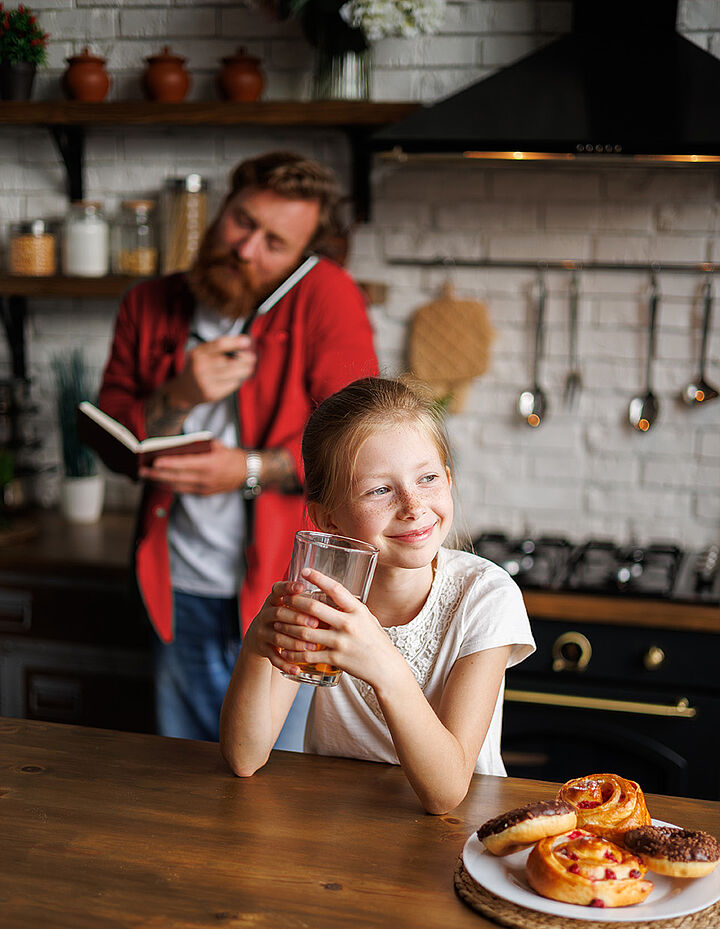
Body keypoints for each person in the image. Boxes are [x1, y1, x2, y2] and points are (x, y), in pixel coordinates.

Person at [97, 151, 378, 741]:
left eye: (274, 243)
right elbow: (113, 442)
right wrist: (176, 395)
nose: (246, 249)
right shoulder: (148, 304)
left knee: (279, 779)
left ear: (303, 256)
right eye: (242, 222)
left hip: (291, 592)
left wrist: (249, 469)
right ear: (222, 208)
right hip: (179, 585)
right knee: (186, 779)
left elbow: (359, 445)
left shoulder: (326, 296)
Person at [220, 377, 536, 814]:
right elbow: (244, 757)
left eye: (427, 479)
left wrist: (382, 665)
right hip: (335, 828)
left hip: (459, 840)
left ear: (448, 479)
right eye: (379, 490)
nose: (412, 505)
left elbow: (445, 793)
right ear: (327, 519)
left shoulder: (485, 596)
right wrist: (257, 645)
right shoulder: (319, 598)